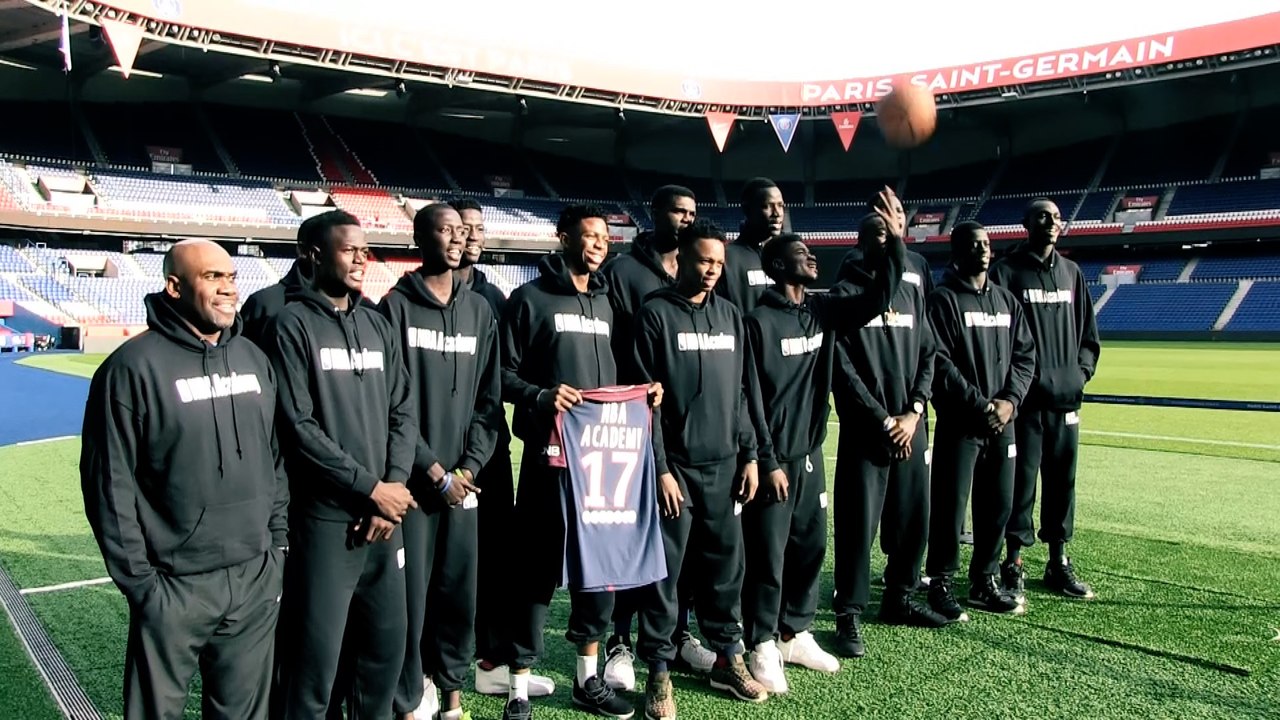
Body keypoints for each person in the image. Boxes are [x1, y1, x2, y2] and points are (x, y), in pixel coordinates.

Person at [81, 239, 288, 720]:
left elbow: (275, 462)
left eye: (231, 277)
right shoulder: (129, 369)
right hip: (173, 588)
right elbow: (108, 484)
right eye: (212, 277)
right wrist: (143, 587)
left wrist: (275, 547)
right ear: (174, 286)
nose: (227, 288)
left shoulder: (255, 360)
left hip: (254, 579)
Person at [741, 196, 907, 693]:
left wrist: (895, 241)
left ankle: (796, 629)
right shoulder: (757, 321)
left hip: (810, 452)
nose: (813, 258)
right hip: (774, 457)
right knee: (768, 555)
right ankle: (762, 640)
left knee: (811, 544)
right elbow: (749, 397)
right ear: (777, 265)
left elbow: (878, 297)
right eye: (802, 253)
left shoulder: (823, 310)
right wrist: (766, 458)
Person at [500, 204, 654, 720]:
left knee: (600, 571)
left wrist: (647, 392)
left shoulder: (612, 303)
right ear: (562, 237)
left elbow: (630, 368)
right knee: (537, 570)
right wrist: (540, 396)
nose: (597, 244)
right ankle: (518, 687)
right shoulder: (529, 299)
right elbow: (501, 374)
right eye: (587, 236)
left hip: (605, 464)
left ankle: (587, 680)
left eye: (603, 238)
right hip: (551, 460)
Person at [266, 212, 419, 719]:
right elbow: (298, 427)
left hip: (384, 519)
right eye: (349, 249)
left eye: (365, 249)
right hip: (328, 523)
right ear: (312, 255)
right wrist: (370, 488)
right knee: (313, 669)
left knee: (385, 654)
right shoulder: (289, 325)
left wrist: (391, 489)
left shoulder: (377, 322)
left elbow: (403, 411)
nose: (361, 258)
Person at [632, 218, 768, 719]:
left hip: (726, 467)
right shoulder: (654, 316)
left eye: (718, 262)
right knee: (665, 576)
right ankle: (659, 672)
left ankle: (727, 659)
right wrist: (661, 468)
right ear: (682, 260)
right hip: (677, 471)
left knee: (725, 570)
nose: (712, 270)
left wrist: (750, 454)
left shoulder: (732, 316)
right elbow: (645, 404)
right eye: (704, 260)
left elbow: (740, 395)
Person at [382, 203, 504, 720]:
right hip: (414, 484)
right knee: (411, 600)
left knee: (458, 593)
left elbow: (488, 403)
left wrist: (469, 469)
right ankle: (411, 698)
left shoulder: (479, 311)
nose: (455, 239)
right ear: (419, 237)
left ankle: (452, 698)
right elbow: (391, 405)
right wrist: (435, 472)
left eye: (461, 231)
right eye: (443, 230)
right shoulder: (393, 307)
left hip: (463, 484)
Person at [599, 184, 715, 691]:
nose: (685, 220)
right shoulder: (625, 270)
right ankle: (619, 641)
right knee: (635, 536)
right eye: (676, 211)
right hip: (632, 418)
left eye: (693, 213)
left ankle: (679, 631)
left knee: (681, 546)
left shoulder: (697, 269)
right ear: (655, 212)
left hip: (687, 429)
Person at [447, 197, 558, 699]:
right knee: (441, 563)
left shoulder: (497, 299)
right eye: (463, 227)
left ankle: (492, 662)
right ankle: (433, 674)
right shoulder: (418, 299)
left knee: (496, 558)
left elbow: (508, 377)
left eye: (479, 227)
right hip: (436, 453)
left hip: (488, 450)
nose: (472, 235)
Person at [830, 213, 951, 662]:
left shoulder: (911, 292)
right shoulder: (845, 296)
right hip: (868, 431)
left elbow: (929, 354)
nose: (886, 242)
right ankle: (848, 611)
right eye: (877, 235)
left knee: (913, 516)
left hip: (912, 427)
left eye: (891, 235)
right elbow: (842, 370)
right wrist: (884, 420)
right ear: (860, 243)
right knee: (858, 524)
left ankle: (899, 596)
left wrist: (915, 412)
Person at [924, 221, 1036, 619]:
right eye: (974, 244)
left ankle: (983, 580)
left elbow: (1025, 357)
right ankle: (940, 580)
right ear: (957, 251)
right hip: (962, 424)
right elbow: (939, 362)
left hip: (1003, 423)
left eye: (987, 244)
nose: (984, 250)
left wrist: (1009, 402)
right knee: (951, 507)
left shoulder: (1007, 302)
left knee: (999, 504)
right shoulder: (943, 301)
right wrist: (980, 406)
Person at [989, 198, 1100, 601]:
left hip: (1066, 402)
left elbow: (1089, 336)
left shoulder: (1072, 274)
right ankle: (1013, 562)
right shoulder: (1005, 272)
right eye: (1042, 216)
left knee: (1062, 483)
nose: (1051, 222)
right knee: (1021, 486)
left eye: (1056, 217)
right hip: (1026, 404)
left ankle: (1059, 561)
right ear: (1025, 224)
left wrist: (1079, 375)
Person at [716, 178, 786, 314]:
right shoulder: (725, 257)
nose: (777, 214)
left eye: (780, 205)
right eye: (767, 206)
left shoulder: (786, 255)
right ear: (747, 209)